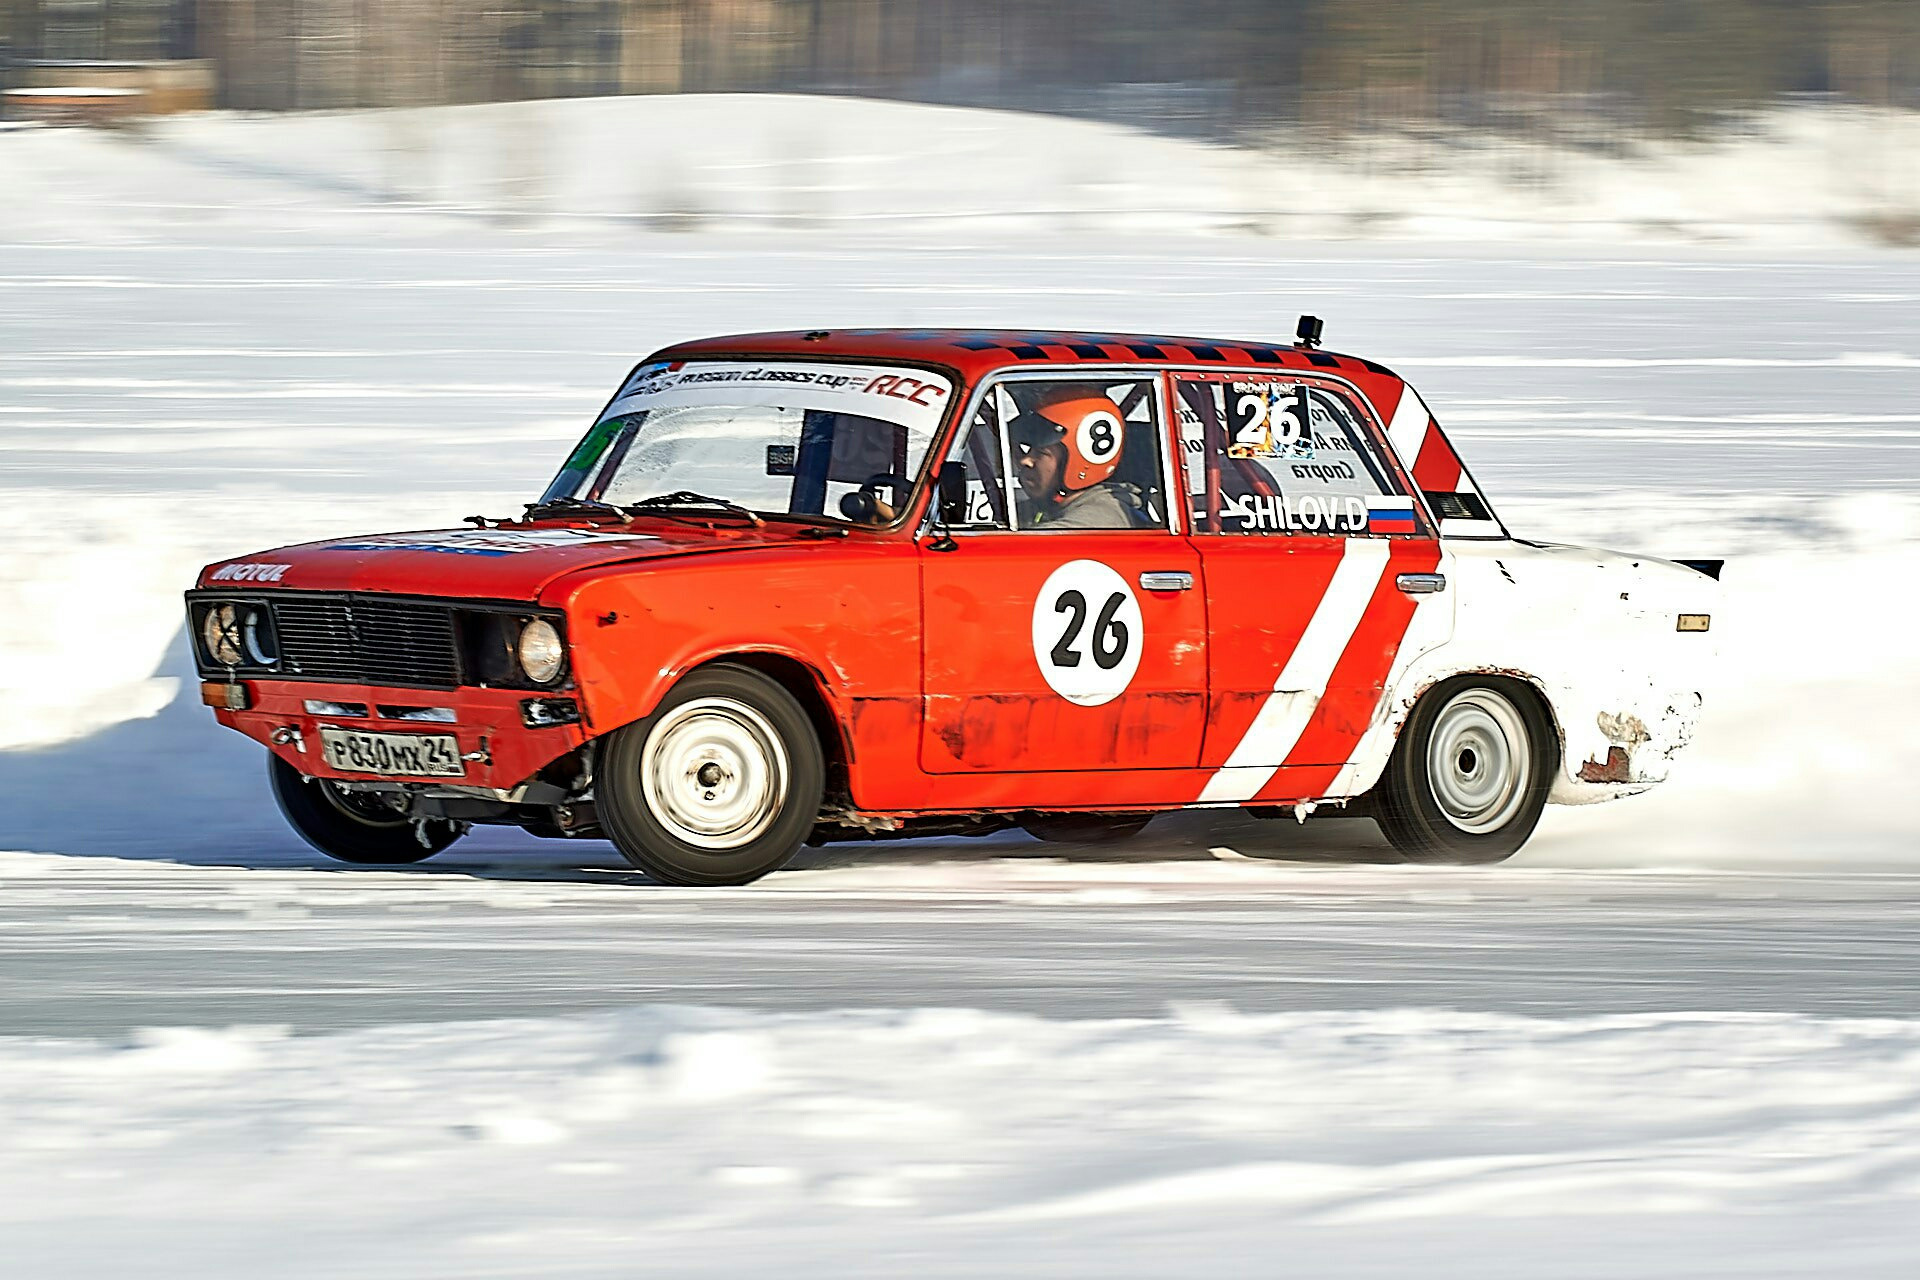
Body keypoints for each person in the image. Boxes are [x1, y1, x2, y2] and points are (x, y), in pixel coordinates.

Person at [1009, 390, 1145, 529]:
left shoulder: (1096, 522)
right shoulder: (1055, 507)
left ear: (1078, 461)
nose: (1025, 460)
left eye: (1041, 452)